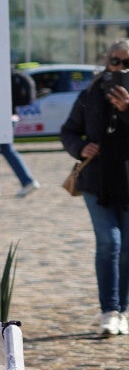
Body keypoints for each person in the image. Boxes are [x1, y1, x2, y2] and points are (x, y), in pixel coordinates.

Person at [60, 40, 129, 335]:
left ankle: (123, 310)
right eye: (116, 61)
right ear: (106, 62)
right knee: (109, 242)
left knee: (126, 248)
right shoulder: (91, 92)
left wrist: (126, 109)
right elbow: (68, 131)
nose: (121, 68)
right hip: (96, 181)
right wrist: (80, 147)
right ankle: (109, 310)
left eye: (127, 63)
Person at [0, 71, 40, 197]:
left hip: (0, 117)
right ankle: (27, 181)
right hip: (11, 116)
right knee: (6, 149)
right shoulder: (9, 74)